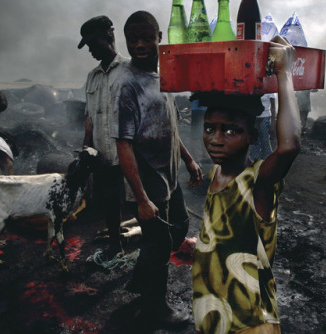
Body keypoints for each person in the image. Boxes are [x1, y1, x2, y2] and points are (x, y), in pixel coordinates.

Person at [192, 35, 301, 334]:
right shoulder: (218, 174)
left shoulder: (257, 182)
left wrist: (284, 73)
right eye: (210, 129)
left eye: (231, 131)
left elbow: (290, 146)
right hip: (214, 311)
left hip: (249, 320)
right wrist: (202, 245)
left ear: (252, 136)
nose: (216, 138)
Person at [111, 10, 202, 330]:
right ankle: (155, 306)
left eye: (145, 37)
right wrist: (140, 198)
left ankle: (143, 276)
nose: (139, 44)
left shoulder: (163, 77)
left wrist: (188, 159)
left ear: (159, 37)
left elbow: (170, 127)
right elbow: (123, 144)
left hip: (170, 171)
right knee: (159, 240)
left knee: (180, 225)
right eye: (132, 38)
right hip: (148, 175)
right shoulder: (127, 86)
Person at [78, 15, 130, 258]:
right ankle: (116, 245)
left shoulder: (131, 70)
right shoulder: (92, 77)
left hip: (129, 153)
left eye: (92, 43)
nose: (90, 50)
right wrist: (86, 148)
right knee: (110, 201)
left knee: (139, 201)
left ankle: (151, 249)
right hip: (103, 154)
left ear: (109, 34)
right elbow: (90, 117)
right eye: (87, 46)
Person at [249, 93, 276, 161]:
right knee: (254, 141)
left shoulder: (270, 92)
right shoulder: (255, 89)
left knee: (265, 140)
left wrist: (272, 124)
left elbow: (273, 108)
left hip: (265, 118)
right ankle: (255, 161)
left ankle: (267, 161)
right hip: (254, 118)